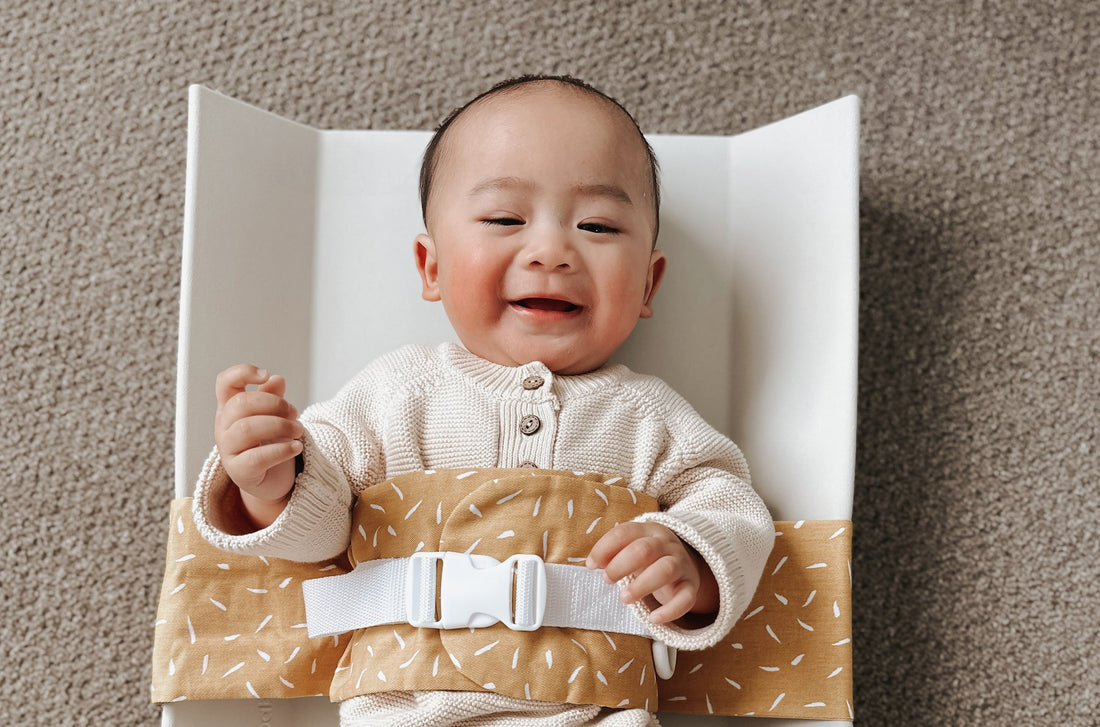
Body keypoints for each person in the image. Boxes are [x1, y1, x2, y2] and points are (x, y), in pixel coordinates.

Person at [192, 75, 774, 726]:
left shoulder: (646, 416)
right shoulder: (396, 392)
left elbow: (732, 503)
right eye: (504, 218)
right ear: (432, 267)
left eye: (599, 225)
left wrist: (691, 555)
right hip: (404, 709)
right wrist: (269, 481)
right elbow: (319, 532)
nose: (552, 250)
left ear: (647, 281)